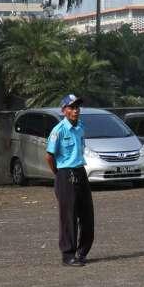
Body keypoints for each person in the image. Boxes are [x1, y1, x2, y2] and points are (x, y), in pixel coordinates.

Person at [45, 94, 94, 267]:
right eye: (71, 108)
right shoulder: (58, 130)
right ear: (64, 110)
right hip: (65, 174)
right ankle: (68, 255)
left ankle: (82, 252)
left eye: (77, 108)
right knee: (69, 217)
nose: (75, 111)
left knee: (87, 216)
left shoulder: (80, 127)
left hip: (80, 171)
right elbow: (49, 156)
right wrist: (59, 174)